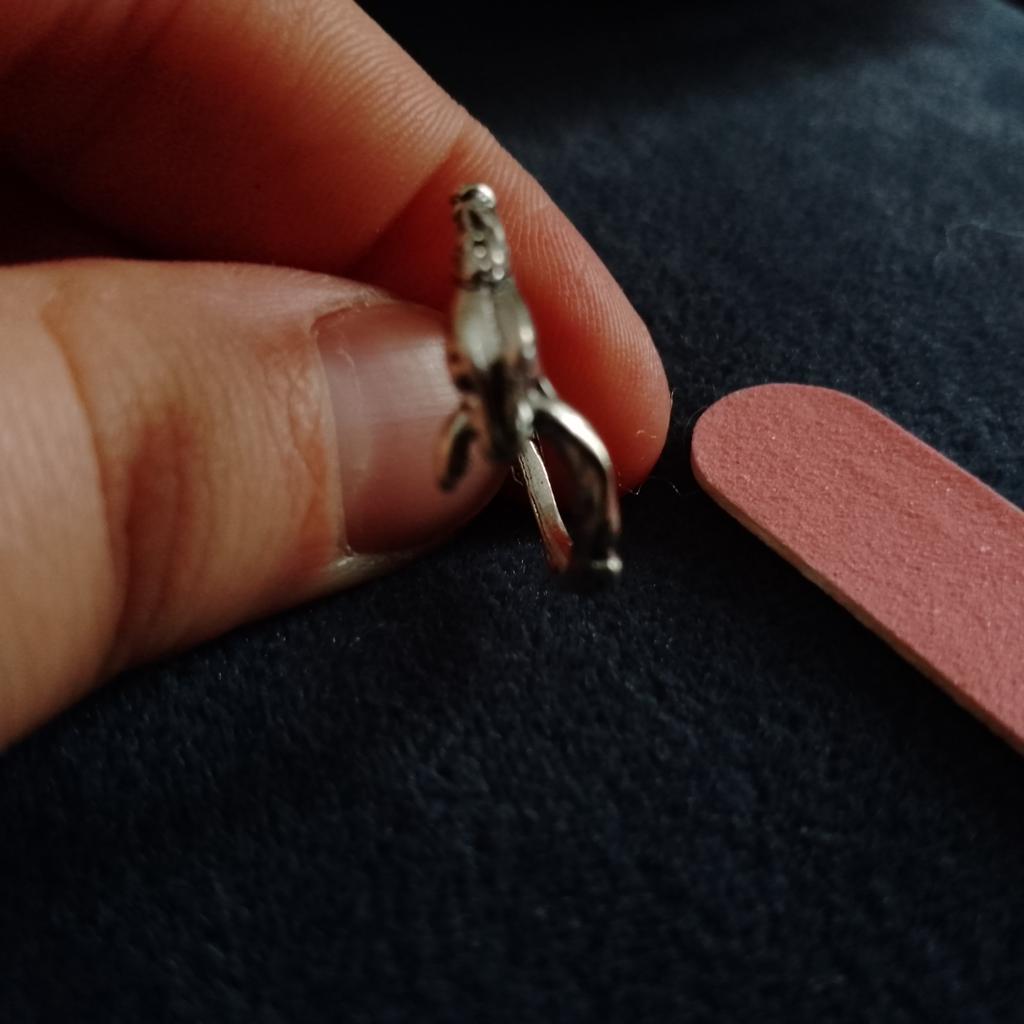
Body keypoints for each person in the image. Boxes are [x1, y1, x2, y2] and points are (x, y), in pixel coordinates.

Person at [0, 0, 670, 745]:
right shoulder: (468, 290)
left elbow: (511, 333)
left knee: (578, 442)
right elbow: (474, 348)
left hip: (517, 385)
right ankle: (563, 532)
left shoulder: (500, 286)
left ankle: (585, 544)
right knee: (532, 443)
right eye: (474, 228)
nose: (482, 237)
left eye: (486, 228)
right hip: (483, 393)